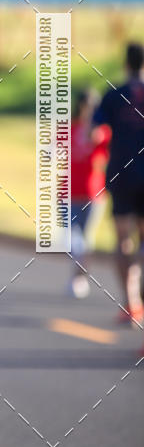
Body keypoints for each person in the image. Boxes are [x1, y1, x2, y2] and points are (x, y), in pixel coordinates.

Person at [93, 42, 144, 326]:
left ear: (126, 64)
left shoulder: (113, 96)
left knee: (123, 240)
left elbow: (94, 132)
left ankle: (131, 302)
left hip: (122, 176)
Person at [67, 89, 110, 298]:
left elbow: (111, 156)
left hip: (93, 193)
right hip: (68, 193)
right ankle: (78, 275)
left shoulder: (102, 132)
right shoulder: (69, 129)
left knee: (86, 239)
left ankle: (79, 278)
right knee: (71, 239)